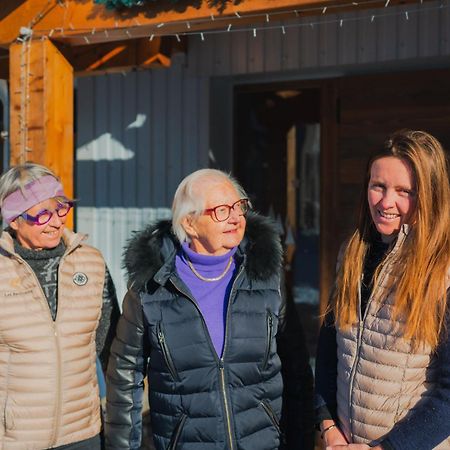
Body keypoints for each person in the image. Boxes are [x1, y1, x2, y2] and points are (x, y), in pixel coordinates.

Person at [105, 168, 314, 450]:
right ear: (189, 223)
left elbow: (296, 369)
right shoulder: (152, 288)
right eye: (221, 210)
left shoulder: (265, 276)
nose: (236, 218)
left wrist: (301, 441)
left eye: (239, 206)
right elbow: (124, 378)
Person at [315, 130, 450, 450]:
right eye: (378, 186)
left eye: (405, 191)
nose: (386, 202)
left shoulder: (442, 270)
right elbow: (328, 351)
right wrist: (328, 424)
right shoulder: (353, 253)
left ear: (430, 194)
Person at [0, 163, 119, 449]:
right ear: (15, 220)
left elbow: (109, 349)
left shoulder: (91, 263)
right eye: (42, 214)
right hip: (15, 438)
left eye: (60, 209)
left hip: (82, 434)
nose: (56, 221)